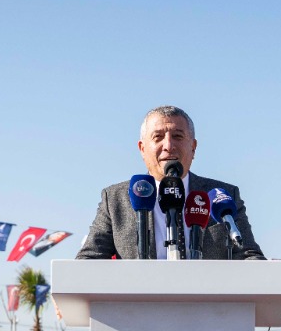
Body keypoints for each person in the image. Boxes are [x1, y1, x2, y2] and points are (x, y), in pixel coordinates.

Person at [75, 106, 265, 261]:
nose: (168, 146)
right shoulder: (115, 199)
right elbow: (89, 260)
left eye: (178, 136)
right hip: (137, 307)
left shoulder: (221, 195)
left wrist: (273, 286)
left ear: (193, 147)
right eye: (158, 137)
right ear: (142, 149)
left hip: (208, 306)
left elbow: (249, 256)